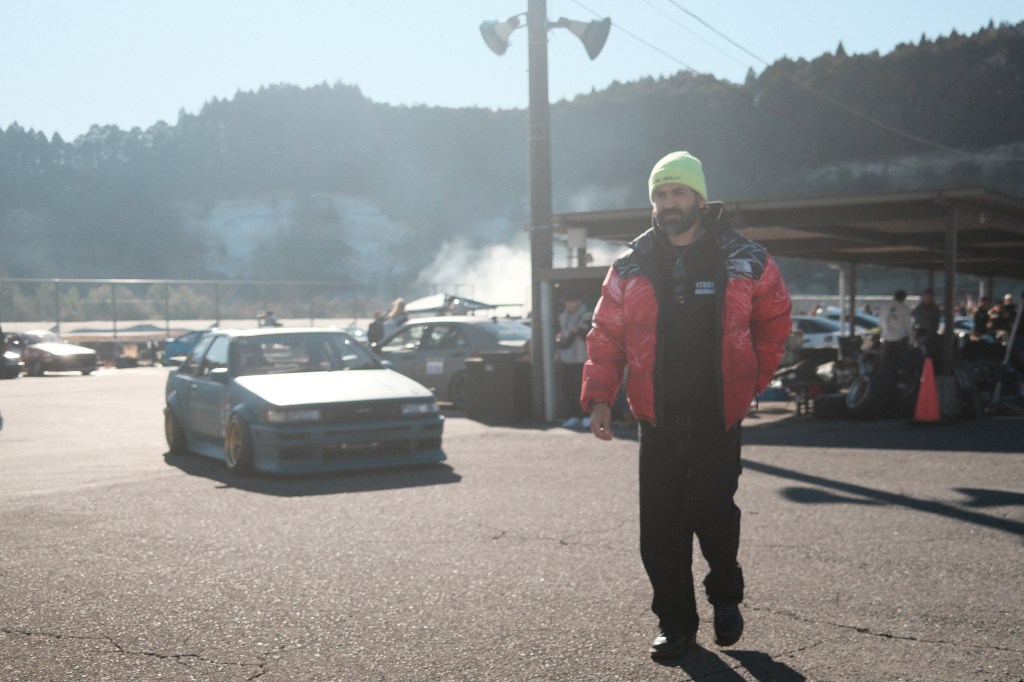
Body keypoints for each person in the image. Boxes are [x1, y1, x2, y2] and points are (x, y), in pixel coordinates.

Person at [581, 151, 792, 658]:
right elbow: (606, 334)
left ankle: (726, 594)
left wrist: (753, 379)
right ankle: (676, 624)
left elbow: (775, 322)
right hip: (655, 415)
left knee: (713, 513)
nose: (668, 202)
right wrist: (600, 397)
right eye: (660, 194)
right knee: (660, 527)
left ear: (699, 198)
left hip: (717, 412)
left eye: (678, 192)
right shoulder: (629, 264)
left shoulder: (745, 257)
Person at [555, 294, 591, 429]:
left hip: (584, 357)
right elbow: (562, 337)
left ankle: (587, 415)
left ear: (579, 301)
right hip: (567, 358)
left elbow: (586, 333)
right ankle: (574, 416)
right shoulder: (562, 316)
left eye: (572, 301)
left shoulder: (587, 315)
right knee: (568, 386)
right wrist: (572, 332)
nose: (569, 304)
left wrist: (574, 332)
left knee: (584, 388)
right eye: (567, 302)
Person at [911, 289, 940, 360]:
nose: (927, 298)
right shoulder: (919, 309)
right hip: (919, 335)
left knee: (928, 355)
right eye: (926, 297)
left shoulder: (934, 309)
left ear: (932, 298)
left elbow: (936, 324)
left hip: (930, 337)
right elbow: (913, 320)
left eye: (929, 297)